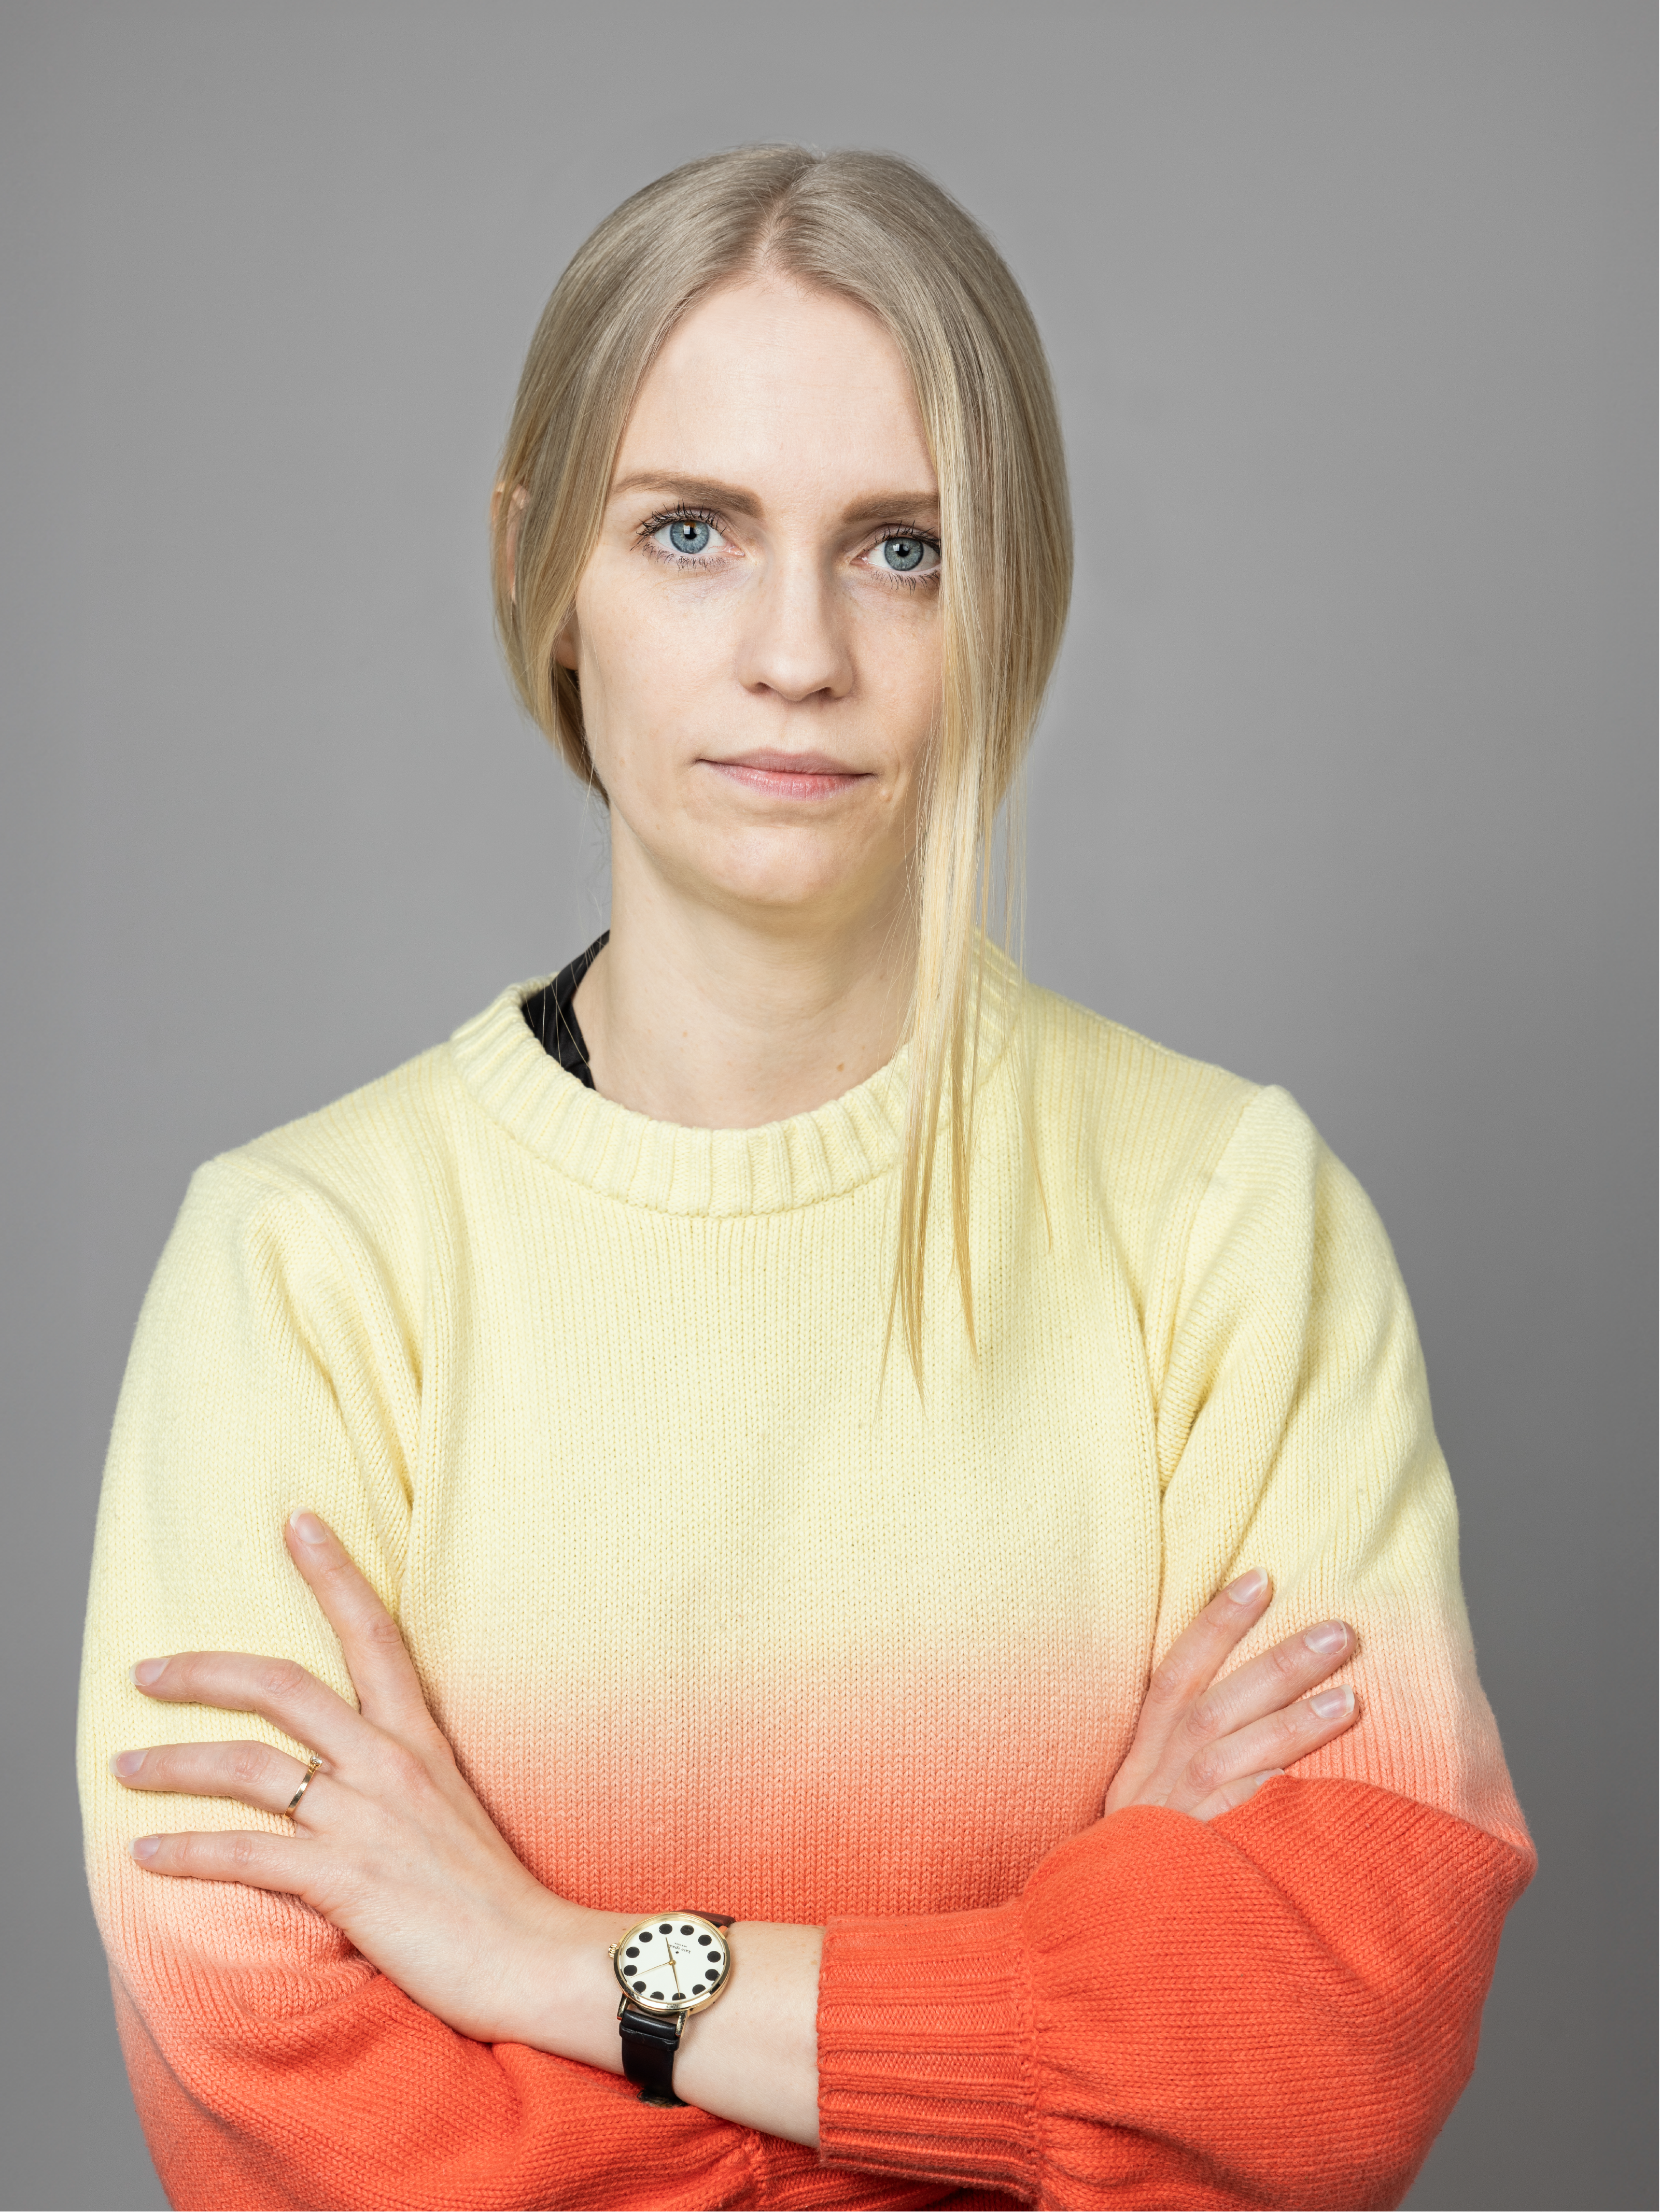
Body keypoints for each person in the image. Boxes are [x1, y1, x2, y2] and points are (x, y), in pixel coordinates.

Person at [77, 145, 1533, 2212]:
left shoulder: (1226, 1216)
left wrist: (553, 1958)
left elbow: (1319, 2059)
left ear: (1011, 585)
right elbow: (279, 2105)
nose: (795, 650)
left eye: (901, 548)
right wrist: (1047, 1995)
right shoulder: (303, 1262)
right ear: (537, 570)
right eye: (689, 530)